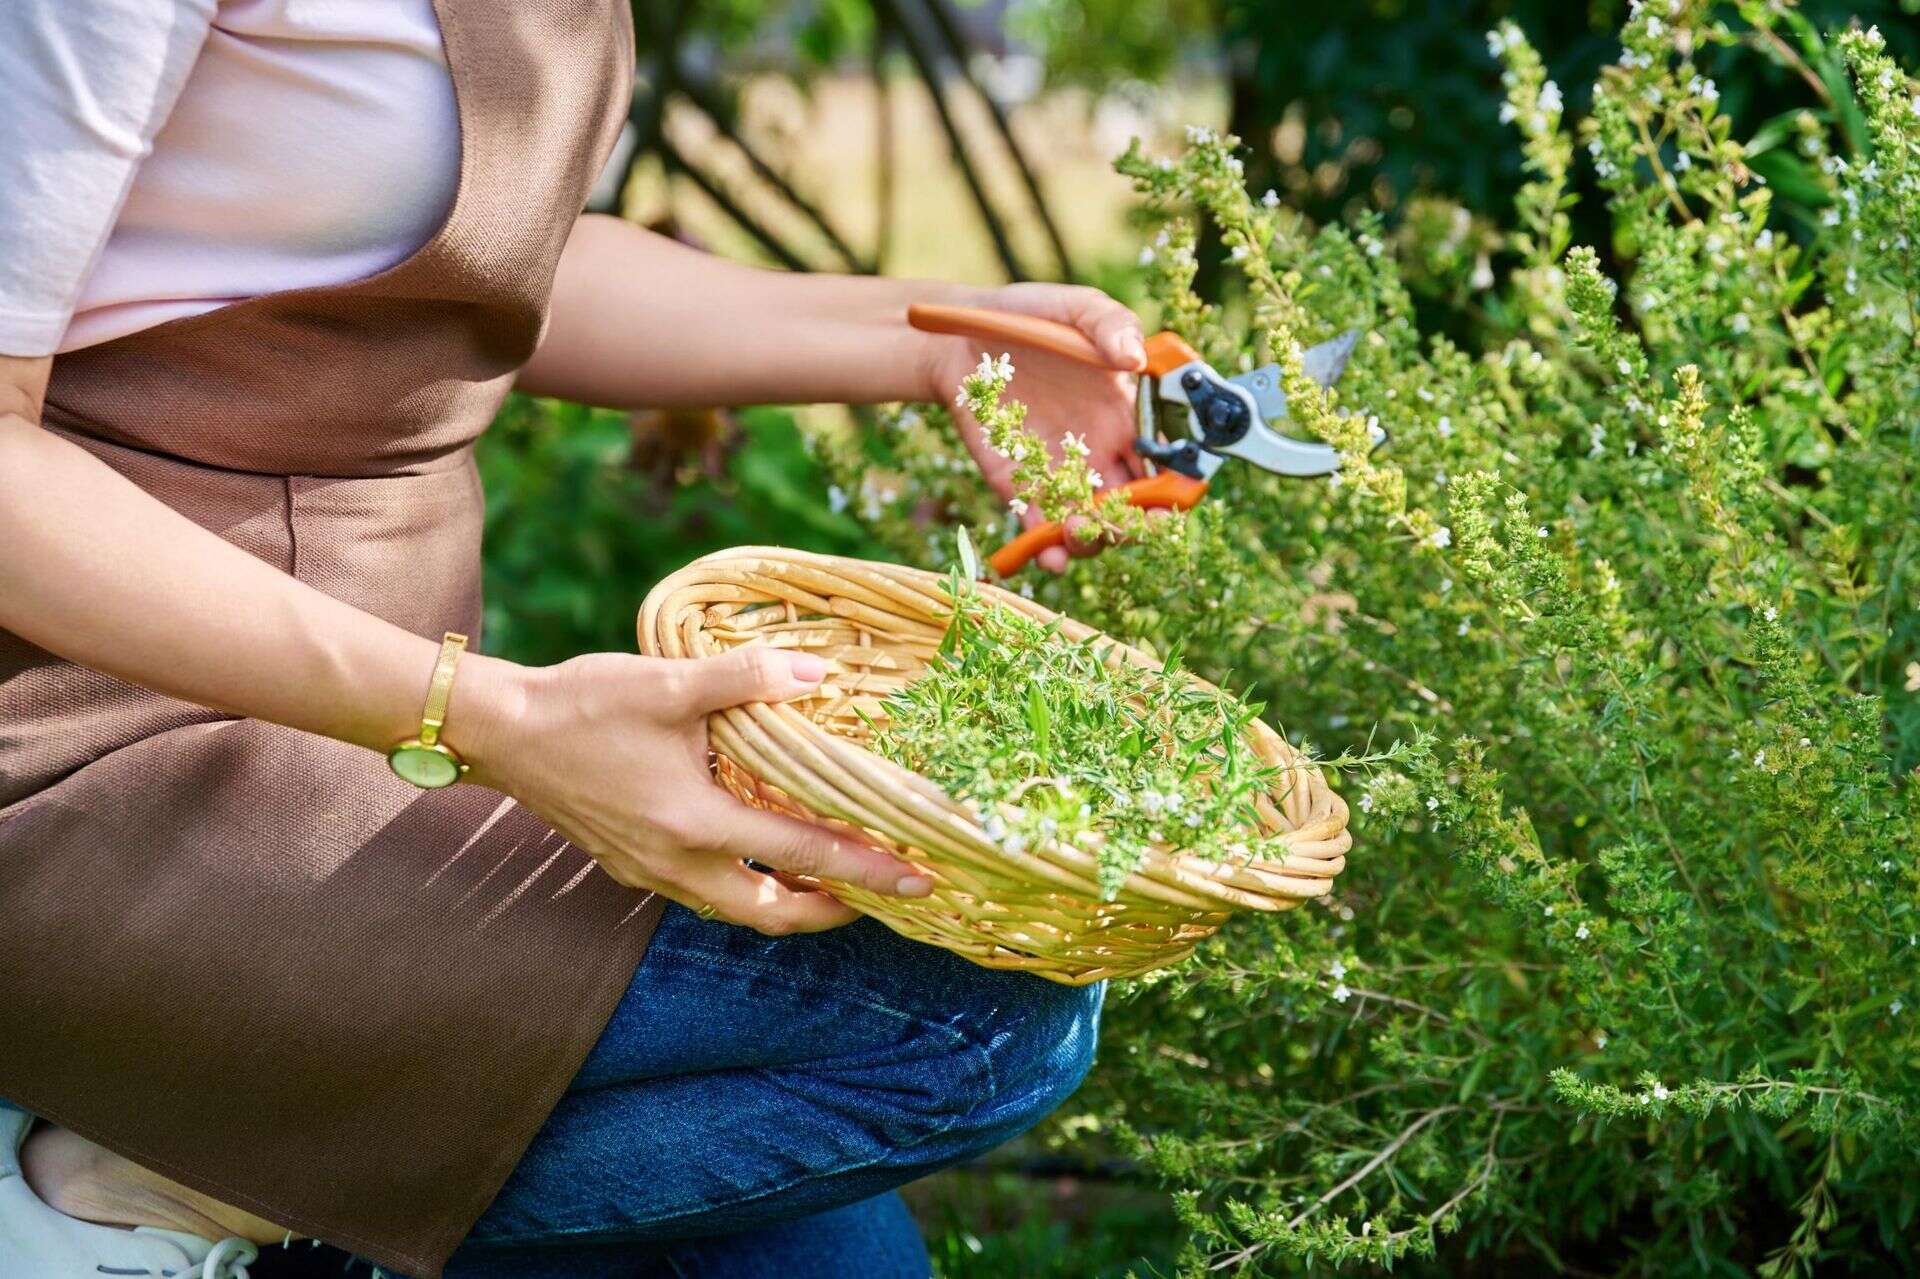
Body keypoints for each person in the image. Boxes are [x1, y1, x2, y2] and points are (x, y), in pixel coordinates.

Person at [0, 2, 1147, 1277]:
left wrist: (940, 338)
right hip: (78, 741)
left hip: (379, 722)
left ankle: (256, 1175)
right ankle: (133, 1184)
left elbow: (512, 266)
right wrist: (500, 720)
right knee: (967, 1018)